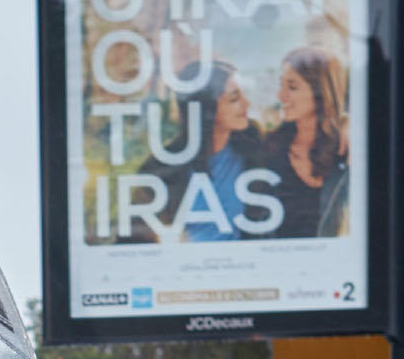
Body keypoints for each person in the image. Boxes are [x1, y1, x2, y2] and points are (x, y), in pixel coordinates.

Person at [143, 60, 267, 242]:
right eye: (234, 98)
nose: (246, 104)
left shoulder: (254, 147)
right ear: (207, 107)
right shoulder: (163, 167)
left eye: (243, 95)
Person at [266, 47, 349, 238]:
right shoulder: (271, 147)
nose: (281, 96)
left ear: (321, 91)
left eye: (292, 87)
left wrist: (349, 123)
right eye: (281, 85)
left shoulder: (346, 147)